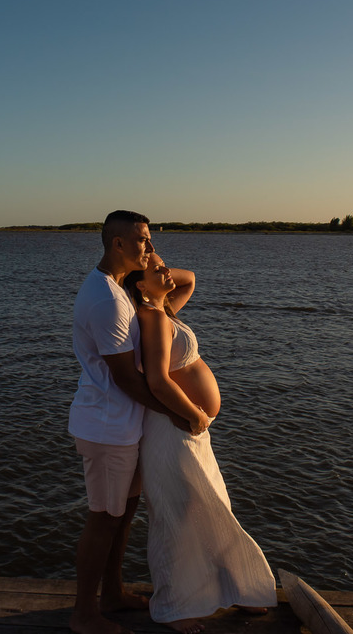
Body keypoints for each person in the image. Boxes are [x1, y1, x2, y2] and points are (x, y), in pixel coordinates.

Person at [124, 254, 277, 634]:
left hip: (190, 431)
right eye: (156, 269)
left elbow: (189, 278)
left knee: (213, 506)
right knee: (176, 516)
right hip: (173, 430)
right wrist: (194, 415)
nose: (166, 270)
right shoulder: (153, 318)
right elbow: (158, 380)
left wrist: (152, 266)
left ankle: (236, 588)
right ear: (140, 285)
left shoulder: (165, 309)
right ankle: (173, 607)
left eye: (164, 264)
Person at [69, 210, 192, 634]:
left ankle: (113, 593)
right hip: (107, 426)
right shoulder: (106, 299)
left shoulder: (121, 287)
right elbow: (125, 378)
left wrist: (152, 264)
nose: (151, 247)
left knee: (123, 515)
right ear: (117, 243)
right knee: (104, 517)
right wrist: (178, 413)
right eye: (142, 240)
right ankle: (84, 613)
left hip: (127, 425)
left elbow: (185, 280)